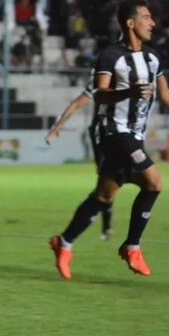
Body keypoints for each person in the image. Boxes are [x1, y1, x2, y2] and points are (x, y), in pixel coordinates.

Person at [48, 0, 169, 280]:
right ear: (130, 23)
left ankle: (63, 242)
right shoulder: (110, 57)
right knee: (154, 183)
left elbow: (166, 96)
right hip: (112, 132)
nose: (152, 23)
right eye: (146, 17)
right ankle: (132, 247)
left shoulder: (153, 58)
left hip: (134, 136)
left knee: (105, 196)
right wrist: (128, 92)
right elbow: (101, 94)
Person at [45, 70, 114, 240]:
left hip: (125, 136)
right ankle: (104, 225)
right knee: (108, 181)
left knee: (114, 182)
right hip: (102, 135)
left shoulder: (132, 73)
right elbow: (76, 103)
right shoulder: (101, 77)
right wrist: (58, 125)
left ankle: (96, 215)